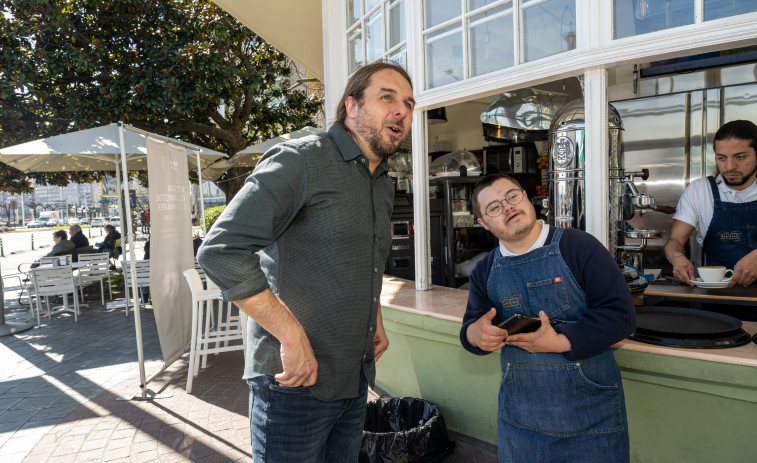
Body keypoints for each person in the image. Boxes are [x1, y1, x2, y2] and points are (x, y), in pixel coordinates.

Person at [197, 60, 414, 462]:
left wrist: (377, 321)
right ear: (351, 106)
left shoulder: (382, 182)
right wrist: (291, 335)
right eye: (387, 97)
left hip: (354, 377)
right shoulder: (302, 159)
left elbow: (365, 261)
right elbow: (221, 251)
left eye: (408, 102)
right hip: (294, 383)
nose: (401, 110)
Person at [459, 174, 636, 462]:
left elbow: (621, 316)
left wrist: (562, 340)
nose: (507, 207)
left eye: (512, 196)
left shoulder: (579, 247)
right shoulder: (485, 271)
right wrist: (475, 336)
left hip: (591, 420)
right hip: (520, 423)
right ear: (483, 223)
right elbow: (471, 330)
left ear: (526, 198)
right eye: (493, 207)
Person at [664, 120, 757, 287]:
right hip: (718, 302)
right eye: (721, 158)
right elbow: (675, 240)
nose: (729, 167)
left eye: (740, 157)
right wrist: (678, 258)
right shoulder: (699, 191)